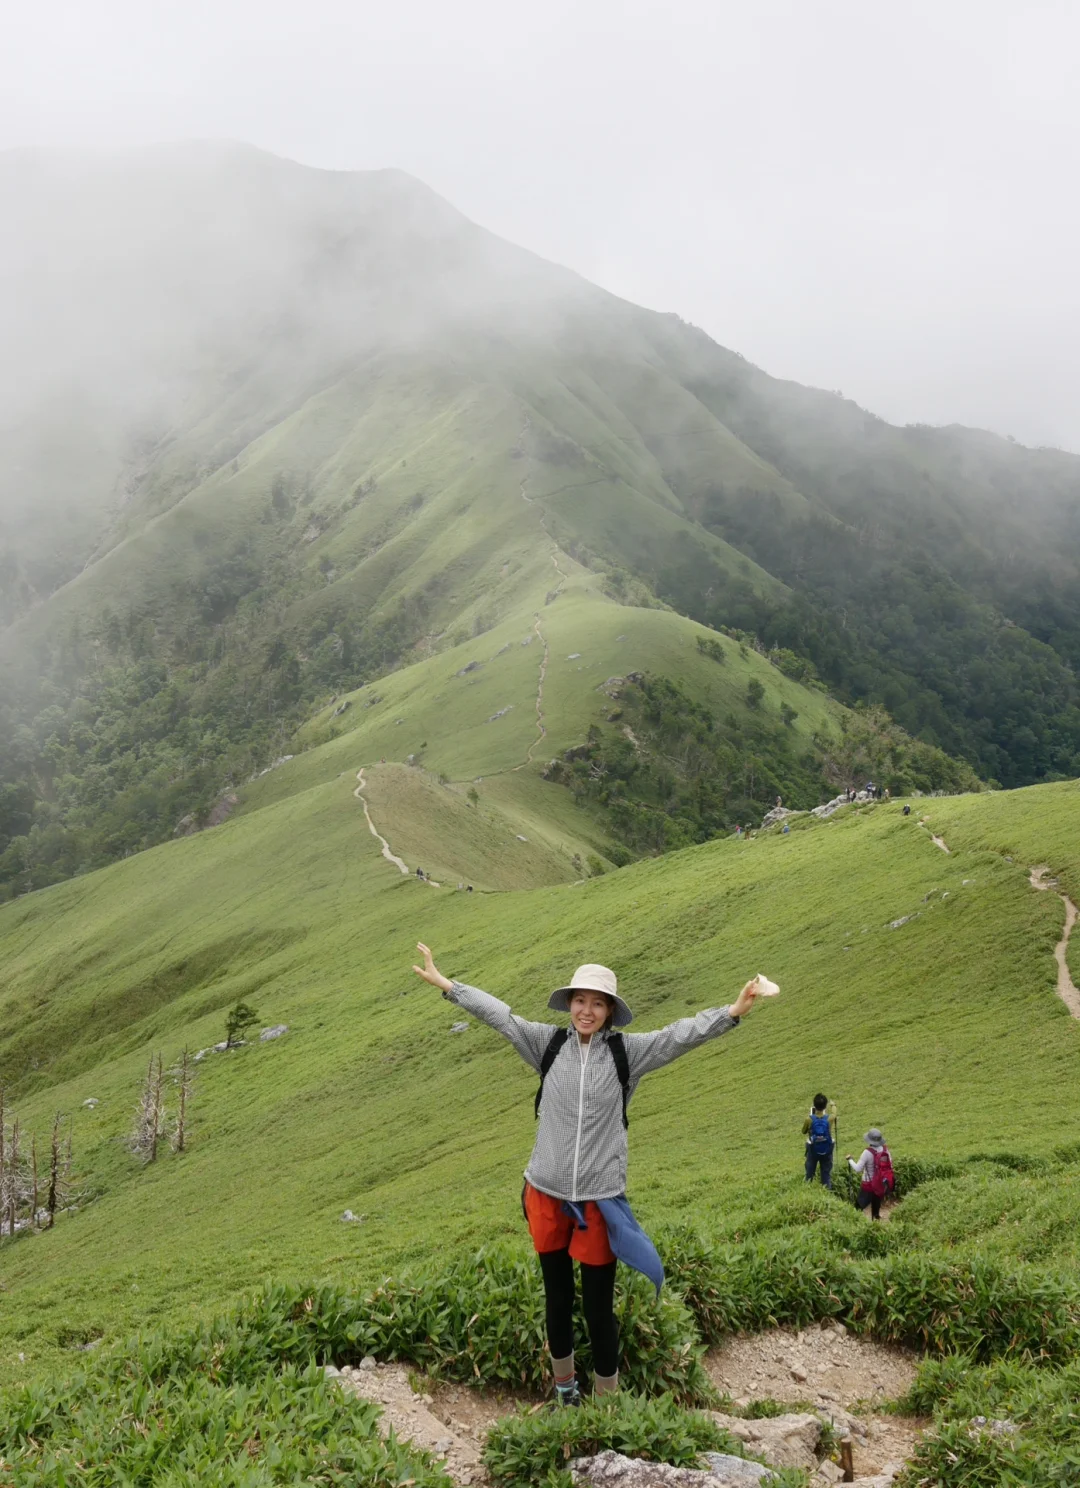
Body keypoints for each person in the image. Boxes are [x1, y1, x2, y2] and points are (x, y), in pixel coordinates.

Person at [410, 945, 769, 1404]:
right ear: (569, 1003)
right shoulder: (548, 1044)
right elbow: (502, 1017)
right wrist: (450, 987)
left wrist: (732, 1012)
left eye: (598, 1003)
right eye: (580, 1000)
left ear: (610, 1012)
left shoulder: (627, 1054)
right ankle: (565, 1390)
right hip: (545, 1192)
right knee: (557, 1300)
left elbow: (679, 1036)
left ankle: (608, 1400)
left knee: (599, 1307)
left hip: (600, 1199)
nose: (587, 1010)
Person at [847, 1128, 894, 1220]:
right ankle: (876, 1222)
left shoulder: (867, 1152)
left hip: (868, 1184)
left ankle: (854, 1223)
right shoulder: (885, 1150)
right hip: (881, 1183)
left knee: (858, 1207)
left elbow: (858, 1169)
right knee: (876, 1206)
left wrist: (850, 1160)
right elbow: (890, 1165)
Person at [802, 1093, 836, 1187]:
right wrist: (833, 1105)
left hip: (813, 1149)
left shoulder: (809, 1119)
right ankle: (827, 1193)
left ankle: (808, 1192)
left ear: (814, 1105)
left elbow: (803, 1131)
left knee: (809, 1174)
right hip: (827, 1149)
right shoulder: (830, 1118)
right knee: (826, 1175)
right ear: (825, 1106)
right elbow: (834, 1113)